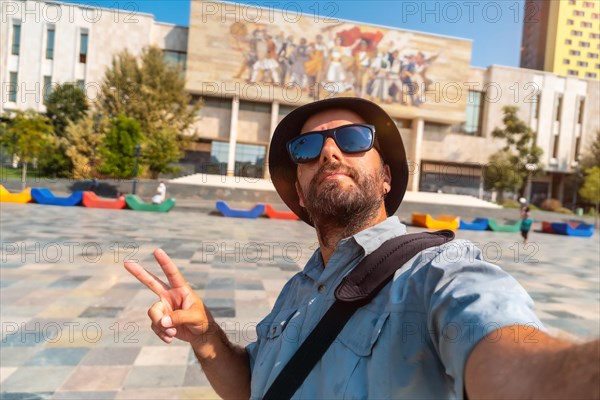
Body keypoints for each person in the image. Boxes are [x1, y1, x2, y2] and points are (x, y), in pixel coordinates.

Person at [124, 97, 599, 399]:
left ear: (386, 176)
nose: (329, 152)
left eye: (352, 140)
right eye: (308, 148)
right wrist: (206, 337)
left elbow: (514, 356)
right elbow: (253, 389)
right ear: (301, 190)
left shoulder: (437, 272)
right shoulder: (297, 289)